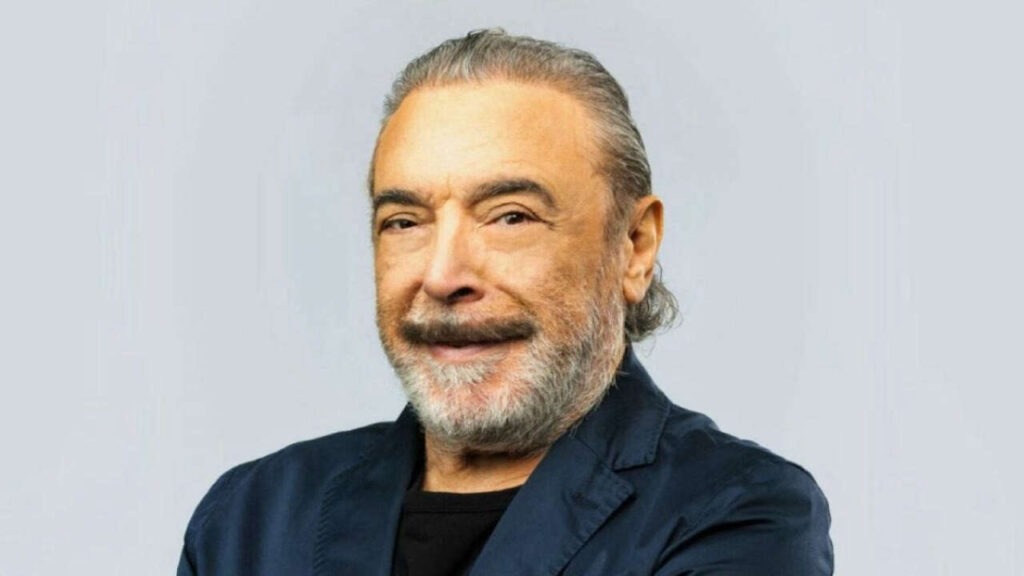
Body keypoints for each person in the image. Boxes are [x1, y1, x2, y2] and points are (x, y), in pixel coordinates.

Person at [177, 29, 833, 575]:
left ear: (634, 246)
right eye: (404, 222)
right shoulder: (250, 519)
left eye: (510, 216)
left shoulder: (737, 512)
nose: (443, 275)